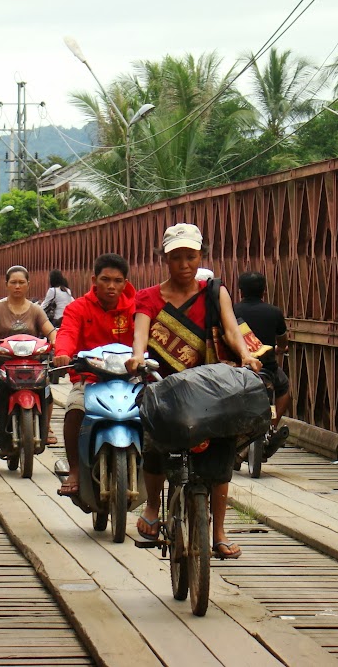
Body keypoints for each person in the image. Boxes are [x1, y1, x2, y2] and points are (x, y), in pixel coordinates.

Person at [126, 223, 261, 560]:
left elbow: (231, 330)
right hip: (165, 388)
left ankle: (218, 532)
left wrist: (245, 355)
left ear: (200, 256)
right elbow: (140, 334)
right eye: (176, 258)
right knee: (156, 446)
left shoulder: (216, 292)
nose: (184, 264)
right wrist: (138, 357)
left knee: (219, 461)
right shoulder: (148, 297)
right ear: (165, 259)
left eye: (191, 256)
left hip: (211, 388)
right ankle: (153, 510)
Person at [52, 254, 136, 496]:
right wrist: (63, 353)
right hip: (89, 378)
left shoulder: (135, 308)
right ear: (94, 280)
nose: (111, 286)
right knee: (74, 410)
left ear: (125, 282)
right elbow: (67, 332)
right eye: (105, 279)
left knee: (153, 414)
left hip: (130, 379)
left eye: (118, 281)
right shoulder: (77, 307)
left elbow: (148, 333)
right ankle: (75, 469)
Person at [0, 266, 57, 446]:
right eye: (13, 282)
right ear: (6, 284)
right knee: (2, 389)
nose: (17, 286)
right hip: (3, 362)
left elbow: (50, 330)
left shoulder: (36, 310)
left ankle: (48, 425)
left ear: (28, 285)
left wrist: (55, 341)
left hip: (32, 362)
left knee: (46, 391)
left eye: (21, 282)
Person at [234, 271, 292, 422]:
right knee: (284, 388)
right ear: (264, 291)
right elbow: (282, 340)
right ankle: (273, 422)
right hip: (267, 366)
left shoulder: (232, 311)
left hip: (238, 367)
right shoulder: (274, 312)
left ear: (240, 291)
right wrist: (280, 349)